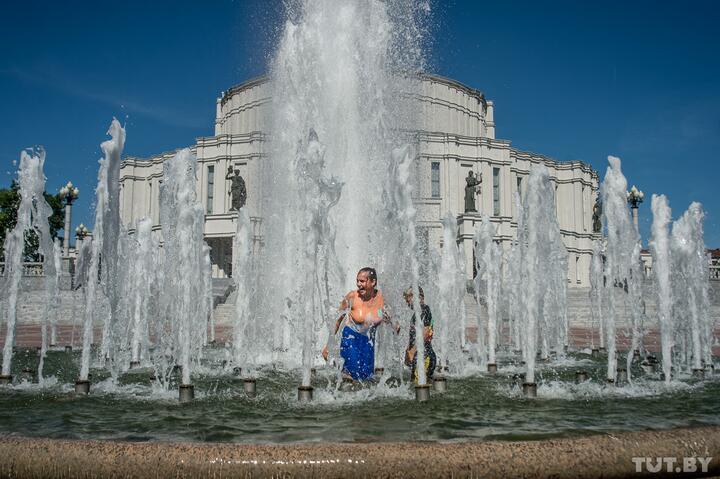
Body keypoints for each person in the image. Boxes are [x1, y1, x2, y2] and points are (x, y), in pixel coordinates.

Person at [322, 267, 392, 381]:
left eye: (362, 281)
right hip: (351, 337)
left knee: (366, 377)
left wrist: (392, 323)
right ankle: (343, 383)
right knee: (352, 374)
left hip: (369, 340)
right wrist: (328, 344)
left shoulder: (381, 298)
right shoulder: (352, 297)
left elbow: (387, 317)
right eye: (357, 281)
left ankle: (338, 367)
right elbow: (337, 320)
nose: (359, 284)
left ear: (373, 282)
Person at [403, 286, 436, 383]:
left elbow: (425, 333)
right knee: (417, 386)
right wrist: (408, 351)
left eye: (407, 298)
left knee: (420, 387)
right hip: (419, 357)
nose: (406, 302)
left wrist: (412, 352)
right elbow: (414, 336)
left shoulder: (425, 309)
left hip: (425, 357)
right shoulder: (416, 314)